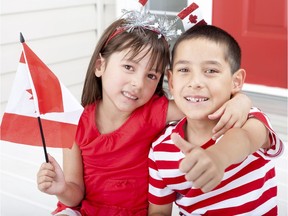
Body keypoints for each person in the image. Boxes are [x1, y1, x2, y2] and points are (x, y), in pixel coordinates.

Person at [37, 8, 253, 216]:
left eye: (151, 75)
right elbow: (75, 195)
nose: (137, 84)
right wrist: (61, 188)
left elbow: (200, 104)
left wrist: (240, 100)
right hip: (86, 209)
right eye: (129, 67)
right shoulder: (75, 122)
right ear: (100, 66)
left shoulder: (155, 111)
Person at [148, 24, 284, 216]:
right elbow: (159, 212)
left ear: (236, 81)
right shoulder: (160, 149)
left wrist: (218, 157)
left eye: (211, 71)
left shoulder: (250, 118)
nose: (195, 82)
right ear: (171, 81)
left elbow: (244, 138)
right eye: (184, 69)